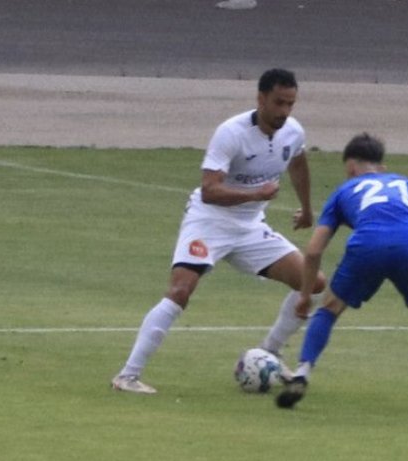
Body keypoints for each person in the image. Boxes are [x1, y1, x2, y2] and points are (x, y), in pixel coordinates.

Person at [111, 68, 326, 394]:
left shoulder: (292, 131)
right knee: (180, 292)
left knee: (314, 283)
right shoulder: (231, 133)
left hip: (250, 228)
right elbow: (210, 190)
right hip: (209, 221)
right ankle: (127, 376)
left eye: (290, 104)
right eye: (279, 103)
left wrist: (307, 208)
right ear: (261, 98)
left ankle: (269, 351)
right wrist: (256, 194)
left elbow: (297, 163)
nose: (284, 111)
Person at [274, 132, 408, 408]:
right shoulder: (405, 183)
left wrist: (304, 295)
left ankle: (302, 371)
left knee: (329, 308)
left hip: (367, 246)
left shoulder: (343, 191)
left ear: (351, 168)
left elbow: (313, 251)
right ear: (382, 167)